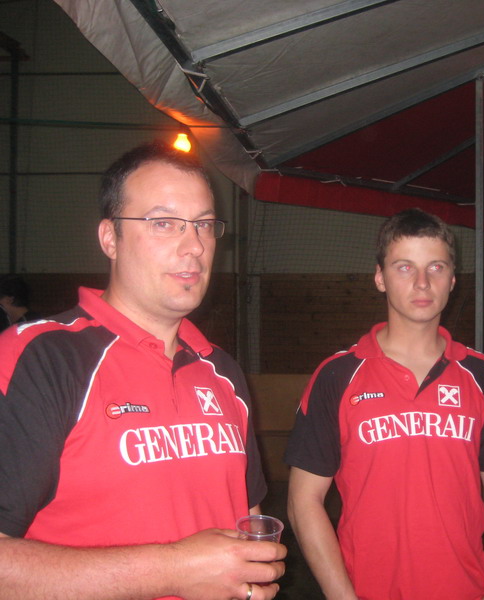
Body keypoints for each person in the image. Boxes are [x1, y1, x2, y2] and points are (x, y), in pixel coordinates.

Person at [0, 141, 286, 600]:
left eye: (204, 224)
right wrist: (173, 570)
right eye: (164, 223)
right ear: (110, 238)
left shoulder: (222, 371)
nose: (194, 246)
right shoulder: (39, 358)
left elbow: (246, 520)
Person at [285, 208, 484, 599]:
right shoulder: (337, 376)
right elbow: (303, 500)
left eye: (436, 267)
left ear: (452, 280)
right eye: (404, 267)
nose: (422, 282)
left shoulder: (480, 375)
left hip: (465, 590)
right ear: (380, 277)